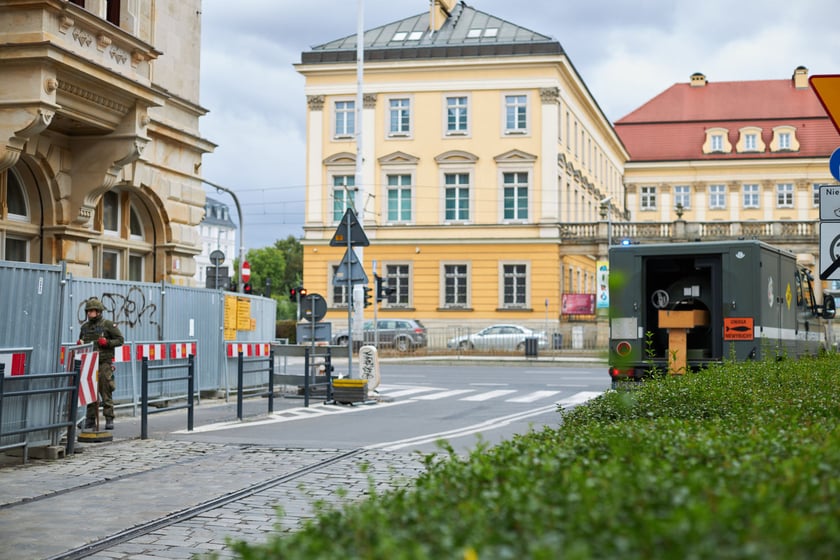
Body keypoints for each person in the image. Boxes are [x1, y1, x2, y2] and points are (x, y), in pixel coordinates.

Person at [77, 297, 124, 430]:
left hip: (104, 362)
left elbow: (120, 340)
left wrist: (108, 343)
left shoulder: (108, 325)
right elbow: (82, 340)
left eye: (92, 311)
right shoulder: (85, 327)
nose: (89, 313)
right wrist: (80, 344)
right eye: (88, 311)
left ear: (98, 312)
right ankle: (90, 419)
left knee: (105, 389)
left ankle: (109, 419)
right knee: (90, 391)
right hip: (89, 362)